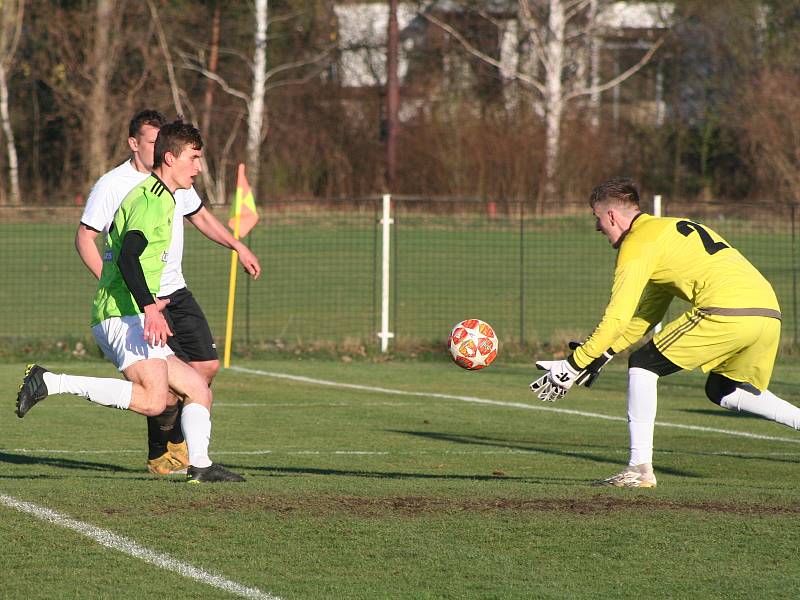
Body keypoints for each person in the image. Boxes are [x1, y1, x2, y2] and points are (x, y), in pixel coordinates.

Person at [530, 177, 799, 488]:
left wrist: (572, 366)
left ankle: (639, 469)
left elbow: (616, 318)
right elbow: (646, 315)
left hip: (727, 310)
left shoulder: (637, 244)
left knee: (644, 364)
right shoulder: (666, 230)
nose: (597, 227)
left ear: (613, 216)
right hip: (768, 313)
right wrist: (601, 355)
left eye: (597, 218)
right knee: (722, 389)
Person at [17, 120, 245, 483]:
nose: (199, 167)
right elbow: (128, 257)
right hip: (121, 314)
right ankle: (50, 381)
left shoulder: (163, 196)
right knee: (155, 401)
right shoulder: (152, 201)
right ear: (170, 158)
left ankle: (199, 465)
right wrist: (151, 308)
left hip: (132, 311)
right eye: (194, 158)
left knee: (198, 387)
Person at [75, 109, 261, 475]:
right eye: (151, 141)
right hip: (139, 300)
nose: (157, 145)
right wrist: (122, 290)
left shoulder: (175, 187)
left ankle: (194, 455)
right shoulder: (117, 186)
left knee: (203, 370)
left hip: (172, 292)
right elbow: (88, 238)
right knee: (157, 390)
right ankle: (165, 447)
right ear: (138, 145)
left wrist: (237, 245)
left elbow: (202, 217)